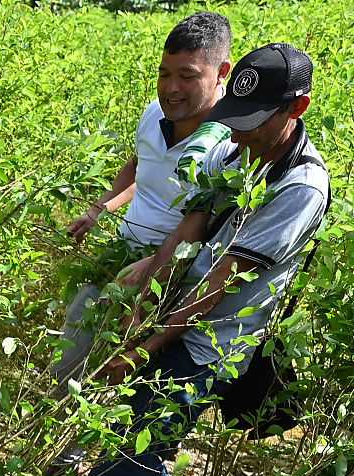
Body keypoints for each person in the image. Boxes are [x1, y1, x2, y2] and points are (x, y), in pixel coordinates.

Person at [47, 43, 328, 476]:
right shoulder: (238, 153)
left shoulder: (300, 187)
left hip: (209, 345)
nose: (238, 134)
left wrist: (144, 348)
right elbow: (188, 232)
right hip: (174, 318)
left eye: (253, 121)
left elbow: (220, 283)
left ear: (296, 109)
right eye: (235, 119)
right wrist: (142, 300)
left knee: (117, 464)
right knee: (141, 442)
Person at [53, 12, 233, 387]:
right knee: (76, 338)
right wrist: (99, 209)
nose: (171, 88)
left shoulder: (229, 144)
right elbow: (140, 165)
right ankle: (60, 415)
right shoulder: (155, 114)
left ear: (222, 73)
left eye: (187, 76)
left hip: (172, 279)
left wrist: (154, 267)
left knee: (127, 371)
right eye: (164, 74)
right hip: (124, 255)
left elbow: (218, 233)